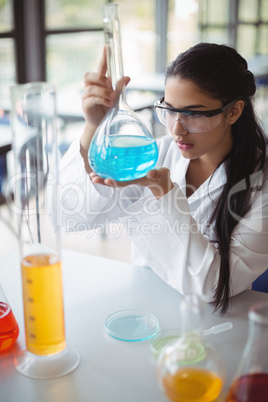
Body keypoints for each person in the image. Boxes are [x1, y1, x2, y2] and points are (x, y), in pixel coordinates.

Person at [58, 43, 268, 314]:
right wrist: (93, 127)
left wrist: (165, 193)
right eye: (169, 110)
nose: (177, 129)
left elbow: (213, 287)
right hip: (144, 307)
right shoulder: (159, 154)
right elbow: (69, 212)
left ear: (233, 111)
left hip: (215, 327)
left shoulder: (260, 185)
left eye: (193, 114)